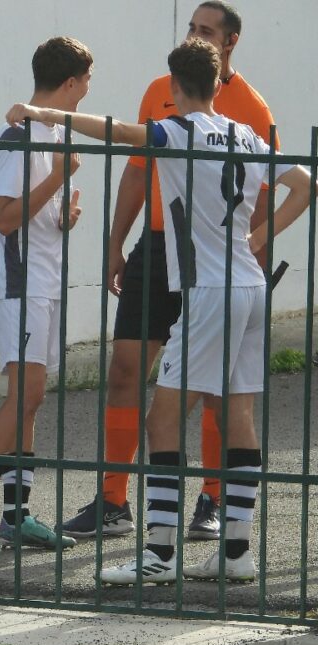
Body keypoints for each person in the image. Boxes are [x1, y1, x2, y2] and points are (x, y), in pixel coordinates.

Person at [6, 38, 314, 583]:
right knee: (237, 413)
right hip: (249, 283)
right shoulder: (246, 133)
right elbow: (305, 185)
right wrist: (258, 236)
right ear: (218, 84)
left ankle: (160, 555)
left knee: (163, 418)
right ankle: (236, 551)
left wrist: (45, 114)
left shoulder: (175, 130)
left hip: (209, 290)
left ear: (174, 86)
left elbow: (116, 131)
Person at [61, 2, 278, 541]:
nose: (194, 35)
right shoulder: (162, 86)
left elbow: (267, 192)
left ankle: (212, 500)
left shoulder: (253, 109)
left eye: (206, 30)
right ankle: (113, 500)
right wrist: (116, 243)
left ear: (230, 42)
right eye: (191, 27)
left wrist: (253, 245)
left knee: (218, 391)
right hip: (158, 248)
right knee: (125, 369)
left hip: (216, 260)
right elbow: (138, 171)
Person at [0, 37, 91, 556]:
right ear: (72, 81)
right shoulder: (18, 135)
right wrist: (56, 178)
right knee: (24, 397)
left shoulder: (56, 132)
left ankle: (17, 514)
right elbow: (5, 218)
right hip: (21, 283)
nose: (88, 90)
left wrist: (62, 217)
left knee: (32, 399)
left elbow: (34, 214)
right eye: (87, 80)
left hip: (46, 280)